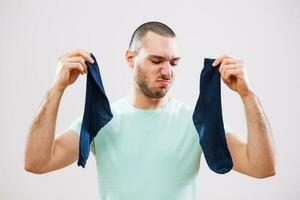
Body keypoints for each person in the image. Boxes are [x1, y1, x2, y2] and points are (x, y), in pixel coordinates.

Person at [24, 21, 276, 200]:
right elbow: (37, 162)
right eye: (156, 61)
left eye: (174, 63)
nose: (167, 71)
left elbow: (261, 167)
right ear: (130, 58)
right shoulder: (102, 120)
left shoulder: (196, 121)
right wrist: (57, 88)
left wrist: (248, 95)